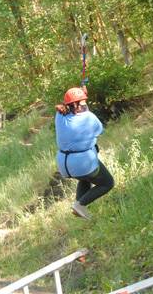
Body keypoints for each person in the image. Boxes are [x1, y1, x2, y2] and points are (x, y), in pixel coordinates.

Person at [55, 87, 114, 220]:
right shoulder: (89, 117)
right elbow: (99, 130)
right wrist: (84, 105)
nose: (85, 104)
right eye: (83, 102)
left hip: (64, 165)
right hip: (83, 163)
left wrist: (80, 95)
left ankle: (78, 205)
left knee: (85, 178)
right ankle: (80, 204)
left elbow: (68, 106)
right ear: (78, 104)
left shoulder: (59, 116)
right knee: (107, 183)